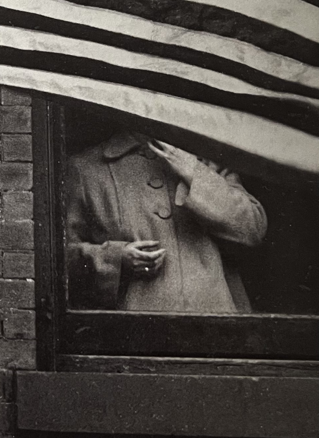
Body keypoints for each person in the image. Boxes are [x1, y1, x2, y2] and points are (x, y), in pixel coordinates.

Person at [66, 132, 267, 313]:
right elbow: (60, 260)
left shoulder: (207, 159)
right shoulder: (86, 168)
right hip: (133, 333)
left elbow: (253, 228)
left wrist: (195, 172)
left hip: (216, 326)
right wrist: (116, 259)